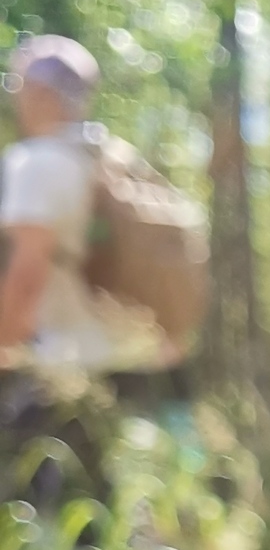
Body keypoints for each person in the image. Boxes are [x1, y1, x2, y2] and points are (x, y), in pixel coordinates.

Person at [0, 34, 177, 505]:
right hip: (125, 358)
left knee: (36, 503)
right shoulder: (113, 157)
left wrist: (4, 343)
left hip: (56, 364)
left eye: (16, 86)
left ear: (39, 94)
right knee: (106, 498)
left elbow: (27, 271)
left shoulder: (34, 164)